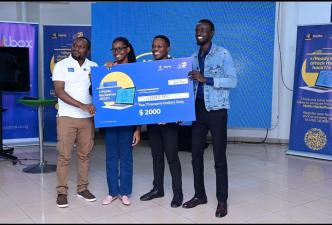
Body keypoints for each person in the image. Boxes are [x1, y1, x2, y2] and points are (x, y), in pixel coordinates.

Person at [182, 19, 237, 218]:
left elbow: (232, 81)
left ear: (211, 33)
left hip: (217, 111)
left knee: (219, 158)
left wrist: (207, 79)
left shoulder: (223, 54)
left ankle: (222, 200)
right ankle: (200, 195)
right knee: (195, 156)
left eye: (203, 30)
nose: (199, 33)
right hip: (198, 111)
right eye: (197, 30)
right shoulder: (192, 58)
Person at [52, 36, 98, 208]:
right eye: (76, 45)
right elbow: (59, 91)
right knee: (64, 156)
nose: (78, 48)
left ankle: (82, 188)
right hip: (67, 118)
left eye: (82, 47)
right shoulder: (61, 65)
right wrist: (82, 106)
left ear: (87, 50)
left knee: (84, 155)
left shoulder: (93, 67)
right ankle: (62, 192)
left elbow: (102, 88)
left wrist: (109, 68)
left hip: (87, 120)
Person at [139, 35, 183, 208]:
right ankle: (158, 189)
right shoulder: (149, 67)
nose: (156, 48)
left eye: (160, 46)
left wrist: (174, 114)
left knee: (172, 157)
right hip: (153, 121)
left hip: (170, 123)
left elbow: (182, 92)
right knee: (156, 157)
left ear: (168, 48)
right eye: (153, 46)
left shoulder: (177, 66)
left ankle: (178, 194)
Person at [102, 37, 141, 206]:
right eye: (114, 49)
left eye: (120, 48)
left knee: (126, 157)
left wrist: (137, 129)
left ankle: (124, 192)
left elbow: (138, 101)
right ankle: (112, 192)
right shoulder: (109, 69)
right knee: (111, 157)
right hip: (111, 118)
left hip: (127, 119)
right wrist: (105, 72)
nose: (117, 52)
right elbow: (98, 90)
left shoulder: (135, 70)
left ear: (128, 50)